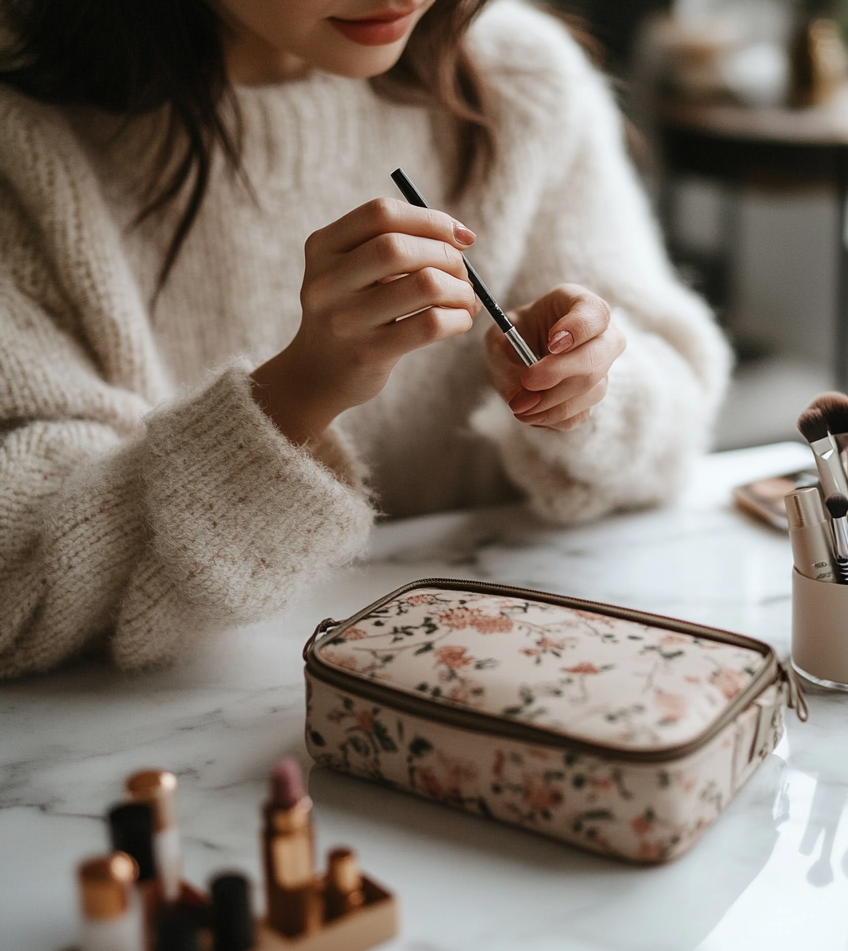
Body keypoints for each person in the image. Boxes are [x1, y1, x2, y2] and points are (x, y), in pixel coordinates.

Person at [0, 0, 730, 678]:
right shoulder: (25, 126)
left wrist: (591, 384)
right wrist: (293, 396)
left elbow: (676, 406)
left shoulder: (517, 75)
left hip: (504, 676)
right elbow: (17, 578)